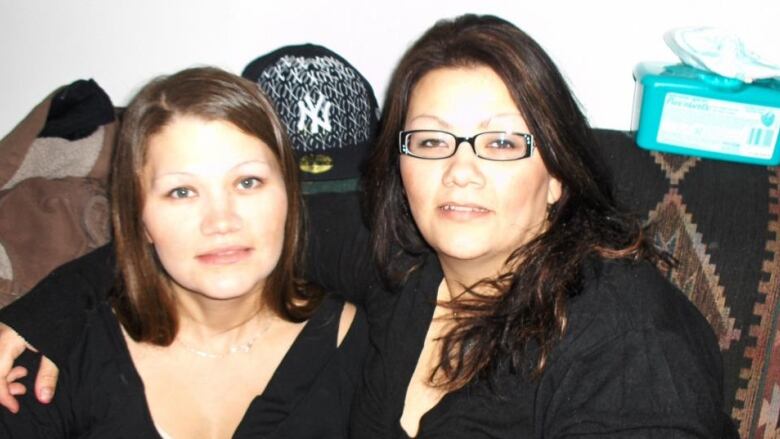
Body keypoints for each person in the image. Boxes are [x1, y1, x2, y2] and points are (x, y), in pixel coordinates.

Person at [0, 14, 735, 438]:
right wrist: (38, 317)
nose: (461, 169)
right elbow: (229, 234)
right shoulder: (404, 267)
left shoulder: (629, 335)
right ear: (400, 164)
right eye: (432, 138)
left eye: (503, 141)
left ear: (558, 175)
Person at [0, 67, 367, 438]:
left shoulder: (366, 347)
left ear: (290, 196)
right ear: (138, 216)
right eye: (182, 192)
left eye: (247, 182)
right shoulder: (64, 353)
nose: (221, 221)